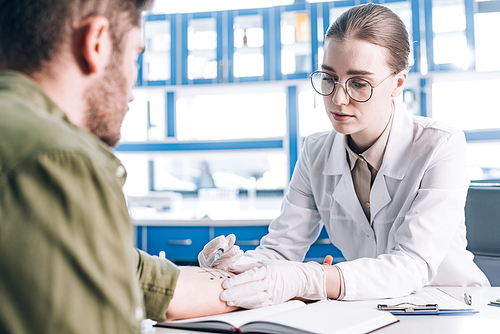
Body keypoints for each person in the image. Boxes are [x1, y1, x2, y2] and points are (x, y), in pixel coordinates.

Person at [199, 3, 490, 309]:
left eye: (359, 83)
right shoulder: (315, 152)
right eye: (329, 78)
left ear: (398, 83)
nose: (337, 99)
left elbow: (412, 264)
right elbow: (282, 250)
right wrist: (240, 266)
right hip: (375, 307)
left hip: (454, 307)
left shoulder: (441, 146)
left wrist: (312, 279)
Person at [0, 1, 236, 333]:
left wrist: (269, 281)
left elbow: (136, 275)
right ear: (96, 42)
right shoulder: (59, 160)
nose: (133, 93)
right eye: (134, 56)